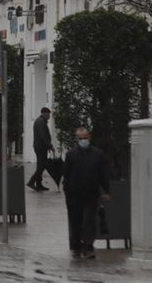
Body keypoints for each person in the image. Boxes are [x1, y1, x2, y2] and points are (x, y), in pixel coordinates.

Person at [63, 126, 110, 259]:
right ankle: (77, 247)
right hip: (74, 194)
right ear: (76, 139)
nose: (83, 140)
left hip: (91, 193)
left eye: (85, 138)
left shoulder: (98, 154)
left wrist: (106, 191)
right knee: (75, 221)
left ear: (89, 137)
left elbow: (103, 174)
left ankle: (88, 247)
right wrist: (67, 191)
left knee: (89, 220)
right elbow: (66, 175)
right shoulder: (71, 155)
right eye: (80, 138)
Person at [28, 106, 54, 191]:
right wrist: (50, 145)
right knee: (41, 166)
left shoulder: (41, 121)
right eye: (48, 113)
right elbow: (43, 136)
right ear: (44, 113)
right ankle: (31, 182)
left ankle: (39, 184)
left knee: (40, 165)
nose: (49, 115)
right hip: (40, 147)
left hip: (40, 147)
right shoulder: (41, 122)